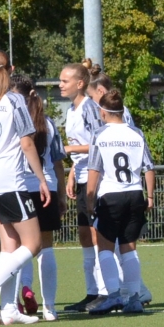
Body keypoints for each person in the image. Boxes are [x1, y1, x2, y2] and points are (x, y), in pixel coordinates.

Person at [0, 51, 51, 326]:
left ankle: (9, 309)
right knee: (34, 244)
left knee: (10, 245)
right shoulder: (15, 101)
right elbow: (27, 143)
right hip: (10, 182)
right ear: (11, 69)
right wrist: (41, 179)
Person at [85, 87, 155, 315]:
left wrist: (89, 198)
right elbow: (149, 167)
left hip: (110, 195)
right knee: (129, 248)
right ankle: (134, 298)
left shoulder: (100, 134)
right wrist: (150, 196)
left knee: (105, 248)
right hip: (134, 194)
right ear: (122, 111)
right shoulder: (137, 133)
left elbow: (94, 169)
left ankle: (113, 295)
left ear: (102, 112)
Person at [12, 72, 66, 320]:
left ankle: (18, 295)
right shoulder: (48, 123)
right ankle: (50, 307)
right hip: (47, 188)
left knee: (18, 246)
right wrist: (61, 195)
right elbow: (57, 162)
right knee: (46, 248)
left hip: (19, 187)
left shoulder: (11, 121)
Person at [57, 60, 107, 310]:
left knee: (98, 235)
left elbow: (101, 141)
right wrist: (72, 173)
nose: (60, 85)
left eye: (64, 81)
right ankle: (91, 291)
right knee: (84, 235)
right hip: (81, 175)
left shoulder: (89, 107)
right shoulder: (71, 110)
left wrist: (69, 149)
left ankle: (106, 292)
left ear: (79, 84)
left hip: (95, 178)